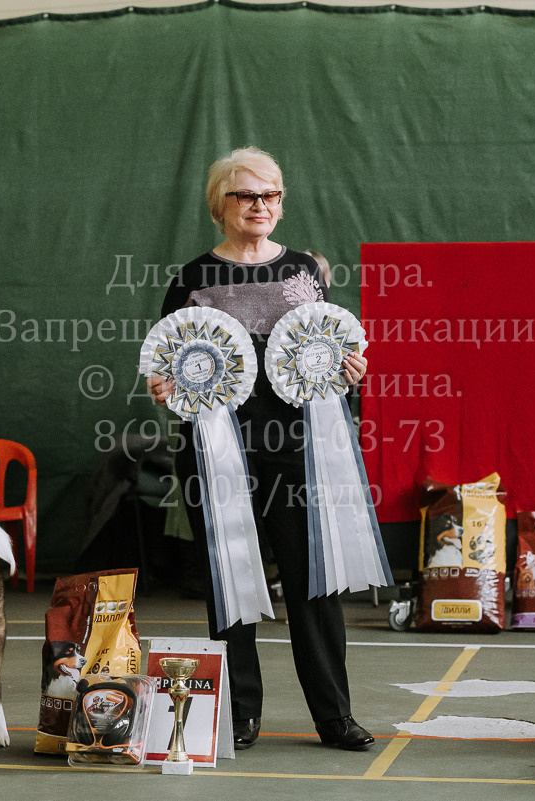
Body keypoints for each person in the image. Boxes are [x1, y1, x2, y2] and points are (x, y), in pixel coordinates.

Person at [147, 147, 374, 751]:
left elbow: (329, 355)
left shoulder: (306, 269)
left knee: (314, 585)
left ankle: (334, 715)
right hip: (215, 450)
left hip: (298, 449)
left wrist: (350, 371)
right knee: (231, 579)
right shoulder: (192, 279)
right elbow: (170, 364)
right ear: (220, 204)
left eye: (271, 195)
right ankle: (240, 712)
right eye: (247, 195)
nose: (261, 206)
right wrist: (165, 384)